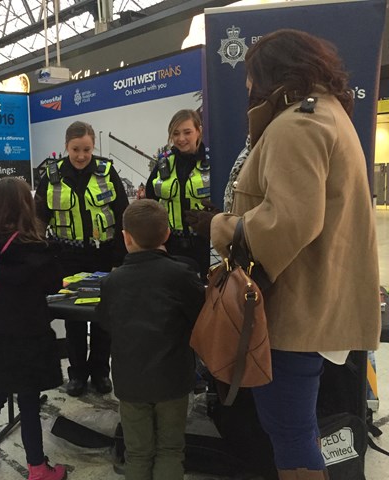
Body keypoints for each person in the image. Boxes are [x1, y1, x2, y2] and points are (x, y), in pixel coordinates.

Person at [210, 29, 380, 480]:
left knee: (290, 432)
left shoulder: (296, 124)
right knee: (295, 430)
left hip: (296, 311)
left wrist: (222, 227)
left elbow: (290, 221)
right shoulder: (328, 115)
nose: (247, 88)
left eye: (250, 77)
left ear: (272, 74)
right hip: (316, 303)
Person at [0, 177, 67, 480]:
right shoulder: (37, 245)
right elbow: (53, 284)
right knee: (28, 403)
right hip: (29, 336)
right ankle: (37, 468)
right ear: (28, 204)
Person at [97, 199, 205, 480]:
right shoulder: (182, 275)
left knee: (137, 453)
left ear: (125, 237)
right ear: (167, 234)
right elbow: (200, 319)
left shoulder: (112, 281)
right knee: (170, 449)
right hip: (173, 378)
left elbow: (105, 323)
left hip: (130, 381)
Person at [35, 120, 129, 397]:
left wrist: (121, 257)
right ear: (66, 147)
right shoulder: (51, 176)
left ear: (93, 147)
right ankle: (77, 374)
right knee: (73, 320)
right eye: (75, 149)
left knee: (103, 318)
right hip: (68, 257)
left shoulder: (107, 172)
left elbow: (123, 214)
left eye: (86, 149)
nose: (81, 156)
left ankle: (100, 372)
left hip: (105, 254)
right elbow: (39, 219)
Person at [145, 109, 211, 278]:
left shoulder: (213, 162)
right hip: (171, 243)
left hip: (206, 244)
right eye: (176, 133)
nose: (181, 139)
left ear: (199, 131)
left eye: (187, 132)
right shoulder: (163, 163)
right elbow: (150, 198)